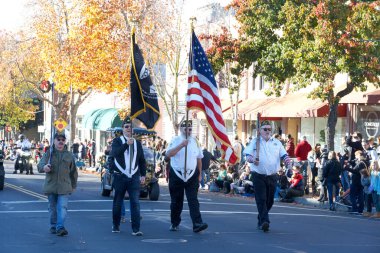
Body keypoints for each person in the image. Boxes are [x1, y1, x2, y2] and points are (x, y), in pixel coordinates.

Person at [244, 120, 293, 232]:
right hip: (258, 175)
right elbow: (247, 156)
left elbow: (284, 155)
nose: (267, 131)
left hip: (272, 175)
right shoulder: (255, 142)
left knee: (269, 201)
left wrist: (289, 166)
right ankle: (265, 221)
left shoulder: (277, 142)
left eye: (269, 129)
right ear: (260, 131)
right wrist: (253, 160)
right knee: (261, 199)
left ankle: (261, 218)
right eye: (265, 129)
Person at [165, 119, 208, 233]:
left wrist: (199, 174)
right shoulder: (175, 140)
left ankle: (197, 223)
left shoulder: (195, 141)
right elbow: (169, 154)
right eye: (186, 129)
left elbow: (199, 158)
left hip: (192, 175)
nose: (188, 131)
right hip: (177, 174)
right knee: (176, 202)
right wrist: (181, 145)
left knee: (193, 200)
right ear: (181, 129)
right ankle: (174, 222)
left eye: (190, 129)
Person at [110, 116, 146, 236]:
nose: (128, 129)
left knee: (135, 202)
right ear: (123, 128)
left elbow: (141, 160)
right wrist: (126, 144)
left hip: (134, 176)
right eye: (126, 127)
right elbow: (115, 153)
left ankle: (136, 229)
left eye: (130, 127)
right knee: (118, 202)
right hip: (120, 176)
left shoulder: (137, 143)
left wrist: (143, 174)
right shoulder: (117, 141)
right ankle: (116, 225)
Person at [37, 133, 78, 236]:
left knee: (62, 207)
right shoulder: (49, 153)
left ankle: (60, 227)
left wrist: (73, 185)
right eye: (58, 139)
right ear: (54, 141)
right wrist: (44, 167)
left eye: (63, 140)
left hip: (64, 186)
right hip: (51, 186)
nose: (61, 141)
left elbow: (73, 172)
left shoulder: (69, 155)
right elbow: (40, 165)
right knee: (52, 208)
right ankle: (53, 225)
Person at [345, 150, 367, 215]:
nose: (355, 157)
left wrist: (347, 168)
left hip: (356, 181)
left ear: (359, 155)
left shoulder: (361, 163)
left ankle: (355, 209)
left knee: (352, 195)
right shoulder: (365, 162)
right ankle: (360, 209)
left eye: (356, 155)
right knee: (360, 196)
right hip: (361, 182)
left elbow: (356, 171)